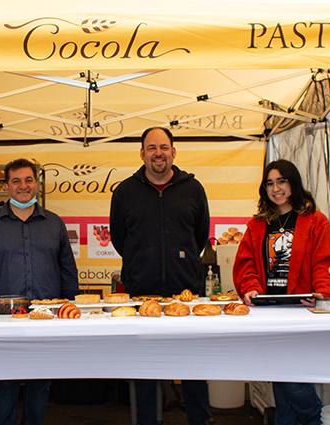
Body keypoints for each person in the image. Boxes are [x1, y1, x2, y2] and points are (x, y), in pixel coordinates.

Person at [110, 126, 211, 425]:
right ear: (142, 154)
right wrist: (143, 263)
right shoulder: (125, 192)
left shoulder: (193, 189)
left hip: (186, 293)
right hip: (142, 295)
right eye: (152, 148)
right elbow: (119, 238)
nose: (158, 153)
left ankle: (199, 421)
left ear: (173, 152)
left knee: (194, 370)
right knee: (145, 371)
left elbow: (200, 235)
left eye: (163, 147)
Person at [0, 158, 78, 425]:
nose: (23, 186)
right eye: (16, 181)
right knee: (4, 383)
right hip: (3, 318)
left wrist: (72, 307)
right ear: (6, 186)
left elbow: (68, 270)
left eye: (29, 180)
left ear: (37, 184)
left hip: (46, 316)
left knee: (39, 384)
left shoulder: (54, 223)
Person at [232, 159, 330, 425]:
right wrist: (250, 288)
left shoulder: (315, 221)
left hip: (302, 310)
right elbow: (245, 264)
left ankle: (315, 419)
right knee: (280, 374)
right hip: (268, 310)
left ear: (293, 183)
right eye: (270, 183)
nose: (275, 188)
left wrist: (322, 293)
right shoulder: (257, 225)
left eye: (281, 181)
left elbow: (324, 262)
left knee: (293, 378)